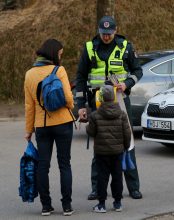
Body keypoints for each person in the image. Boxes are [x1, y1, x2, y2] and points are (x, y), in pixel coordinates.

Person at [75, 15, 143, 199]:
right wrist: (80, 106)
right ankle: (97, 189)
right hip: (97, 102)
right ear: (99, 30)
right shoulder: (89, 48)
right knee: (100, 146)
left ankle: (133, 187)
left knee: (127, 143)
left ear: (115, 30)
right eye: (103, 33)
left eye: (109, 33)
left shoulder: (125, 47)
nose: (106, 37)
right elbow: (80, 78)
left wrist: (127, 83)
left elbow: (138, 71)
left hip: (120, 101)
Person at [24, 39, 75, 216]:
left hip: (42, 126)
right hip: (63, 123)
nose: (61, 56)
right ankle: (67, 206)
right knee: (64, 164)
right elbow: (68, 98)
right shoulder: (59, 70)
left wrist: (28, 129)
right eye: (60, 53)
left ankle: (46, 206)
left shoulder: (29, 74)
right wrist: (71, 106)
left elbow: (29, 105)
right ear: (54, 53)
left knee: (43, 166)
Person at [86, 85, 131, 213]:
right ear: (113, 97)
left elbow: (91, 132)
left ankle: (101, 204)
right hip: (117, 152)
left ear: (102, 98)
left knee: (102, 177)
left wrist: (87, 126)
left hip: (101, 152)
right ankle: (117, 203)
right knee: (117, 176)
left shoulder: (95, 115)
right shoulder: (121, 114)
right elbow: (127, 133)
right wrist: (126, 147)